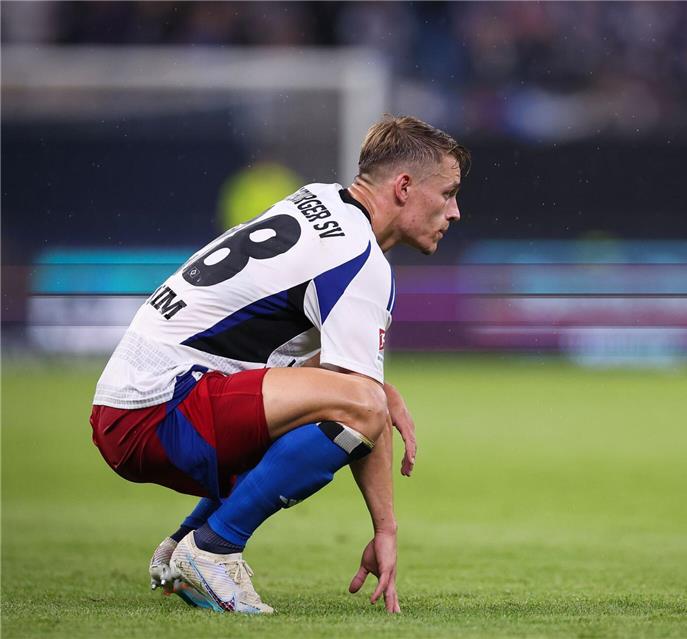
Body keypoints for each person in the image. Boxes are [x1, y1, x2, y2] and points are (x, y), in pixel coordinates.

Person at [89, 115, 469, 614]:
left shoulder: (319, 200)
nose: (455, 212)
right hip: (159, 411)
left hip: (130, 399)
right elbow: (359, 403)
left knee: (359, 397)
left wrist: (377, 388)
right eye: (447, 194)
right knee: (363, 406)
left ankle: (182, 547)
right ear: (403, 187)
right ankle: (214, 549)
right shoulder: (358, 257)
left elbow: (292, 359)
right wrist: (385, 528)